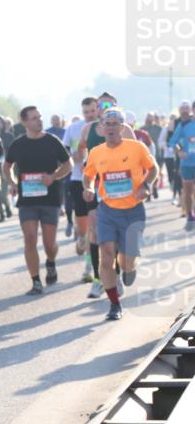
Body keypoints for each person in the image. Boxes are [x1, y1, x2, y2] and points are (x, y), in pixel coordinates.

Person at [82, 108, 158, 320]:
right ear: (102, 127)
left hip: (133, 211)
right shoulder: (96, 152)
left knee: (125, 262)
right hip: (107, 210)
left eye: (116, 124)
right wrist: (88, 188)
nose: (112, 127)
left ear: (124, 127)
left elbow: (153, 169)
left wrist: (146, 184)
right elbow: (88, 175)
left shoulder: (136, 148)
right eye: (108, 123)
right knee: (106, 256)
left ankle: (128, 268)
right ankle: (114, 305)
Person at [3, 106, 72, 295]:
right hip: (27, 200)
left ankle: (51, 262)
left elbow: (68, 164)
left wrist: (54, 176)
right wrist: (12, 182)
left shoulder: (52, 141)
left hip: (50, 198)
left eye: (40, 117)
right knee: (30, 238)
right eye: (34, 118)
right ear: (24, 122)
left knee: (50, 244)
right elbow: (7, 166)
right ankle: (35, 281)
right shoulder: (18, 144)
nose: (39, 121)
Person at [78, 93, 136, 300]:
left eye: (110, 104)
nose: (105, 107)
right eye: (102, 104)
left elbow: (136, 159)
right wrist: (84, 173)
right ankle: (97, 279)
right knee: (93, 231)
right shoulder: (88, 129)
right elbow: (80, 152)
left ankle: (116, 275)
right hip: (95, 186)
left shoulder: (126, 130)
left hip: (119, 187)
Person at [63, 97, 100, 281]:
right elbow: (70, 154)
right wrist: (79, 151)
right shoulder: (75, 128)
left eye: (92, 111)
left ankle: (89, 267)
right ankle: (81, 237)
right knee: (83, 227)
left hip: (99, 181)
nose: (89, 115)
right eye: (86, 112)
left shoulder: (105, 126)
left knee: (95, 227)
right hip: (79, 180)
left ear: (98, 109)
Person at [167, 101, 195, 231]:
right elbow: (173, 141)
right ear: (192, 110)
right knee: (188, 191)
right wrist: (179, 151)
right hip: (187, 163)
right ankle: (190, 215)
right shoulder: (184, 125)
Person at [0, 116, 15, 221]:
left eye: (0, 123)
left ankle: (7, 207)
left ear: (3, 124)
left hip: (6, 166)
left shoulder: (8, 136)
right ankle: (1, 214)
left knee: (3, 193)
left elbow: (13, 152)